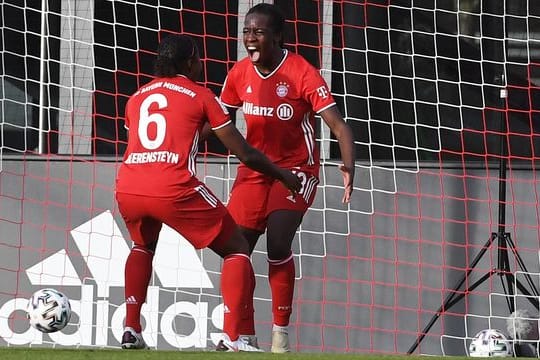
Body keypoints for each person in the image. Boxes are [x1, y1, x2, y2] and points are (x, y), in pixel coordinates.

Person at [115, 34, 301, 352]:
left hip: (128, 186)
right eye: (198, 58)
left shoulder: (137, 97)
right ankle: (231, 337)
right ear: (189, 62)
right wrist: (282, 174)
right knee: (237, 248)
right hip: (174, 186)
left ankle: (131, 329)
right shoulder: (200, 95)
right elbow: (244, 152)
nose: (201, 63)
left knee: (143, 246)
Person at [219, 3, 356, 353]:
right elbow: (219, 121)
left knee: (278, 243)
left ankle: (280, 332)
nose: (250, 38)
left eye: (258, 31)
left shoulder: (301, 72)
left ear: (277, 36)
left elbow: (339, 126)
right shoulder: (238, 74)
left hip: (297, 171)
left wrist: (347, 165)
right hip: (254, 171)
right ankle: (238, 334)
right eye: (247, 31)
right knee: (235, 250)